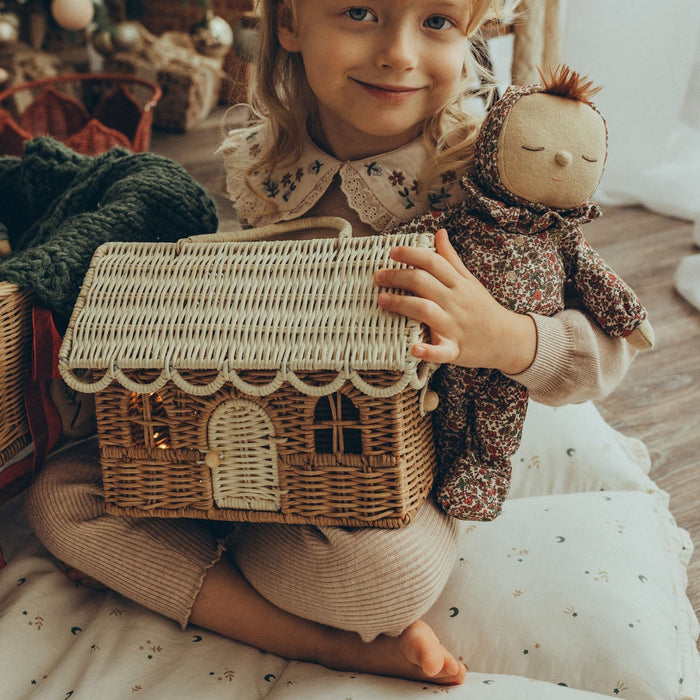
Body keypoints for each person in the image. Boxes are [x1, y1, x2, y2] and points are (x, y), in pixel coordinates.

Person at [24, 0, 637, 687]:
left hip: (408, 473)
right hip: (262, 435)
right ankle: (313, 629)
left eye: (437, 21)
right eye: (360, 12)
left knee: (383, 580)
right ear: (289, 23)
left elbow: (605, 356)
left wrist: (500, 336)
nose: (400, 53)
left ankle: (234, 568)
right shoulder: (269, 164)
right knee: (61, 496)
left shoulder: (492, 180)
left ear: (472, 35)